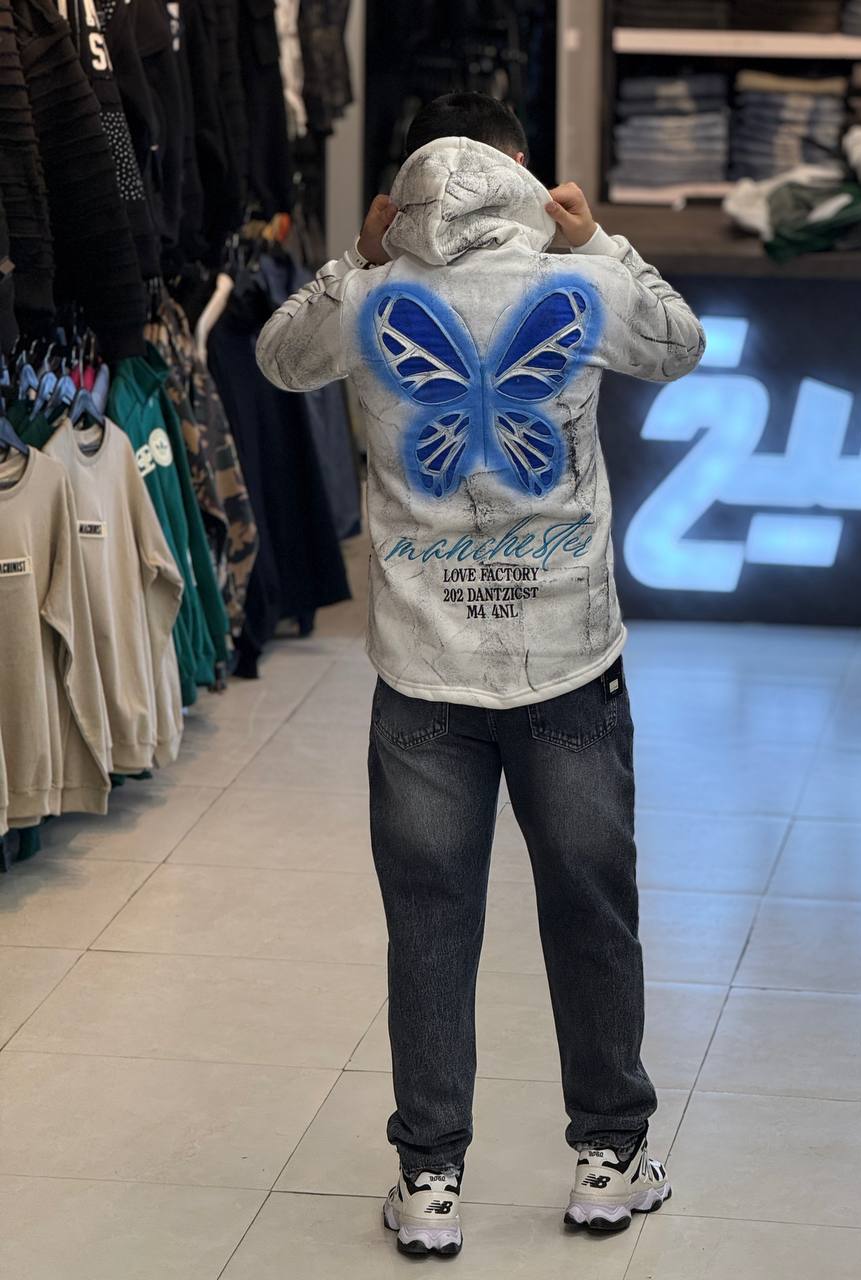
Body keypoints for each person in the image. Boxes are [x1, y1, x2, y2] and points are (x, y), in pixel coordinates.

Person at [256, 91, 704, 1257]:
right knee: (593, 909)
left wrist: (357, 258)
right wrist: (599, 241)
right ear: (522, 168)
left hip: (423, 672)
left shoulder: (372, 298)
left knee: (431, 923)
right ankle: (610, 1156)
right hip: (568, 659)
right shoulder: (576, 281)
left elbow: (277, 355)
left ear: (401, 183)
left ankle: (431, 1178)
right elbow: (681, 340)